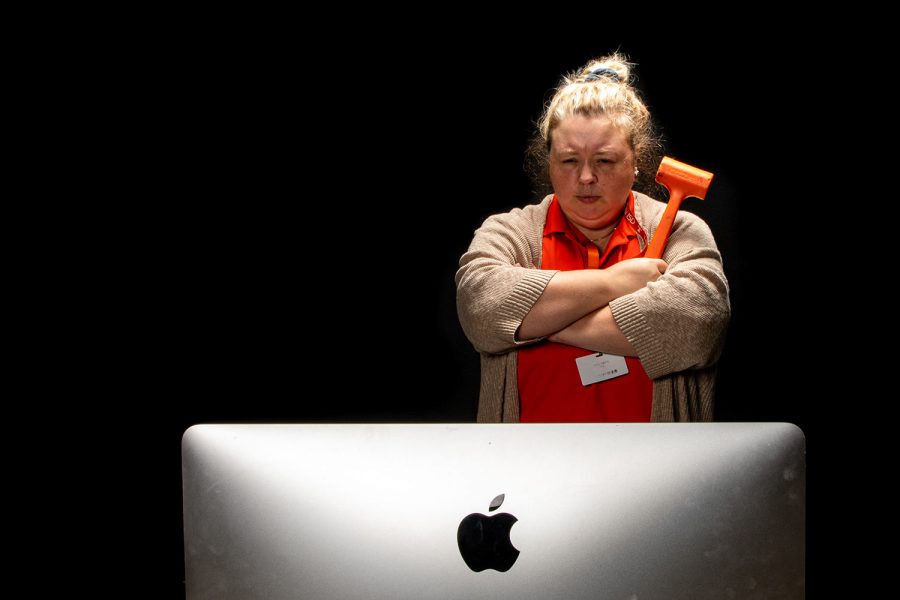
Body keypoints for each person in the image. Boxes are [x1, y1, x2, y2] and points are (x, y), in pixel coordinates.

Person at [455, 53, 730, 423]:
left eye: (605, 160)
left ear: (636, 162)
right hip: (526, 469)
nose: (586, 177)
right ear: (548, 162)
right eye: (569, 160)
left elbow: (692, 329)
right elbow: (481, 307)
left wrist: (533, 324)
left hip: (660, 471)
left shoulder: (681, 231)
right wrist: (615, 282)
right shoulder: (510, 233)